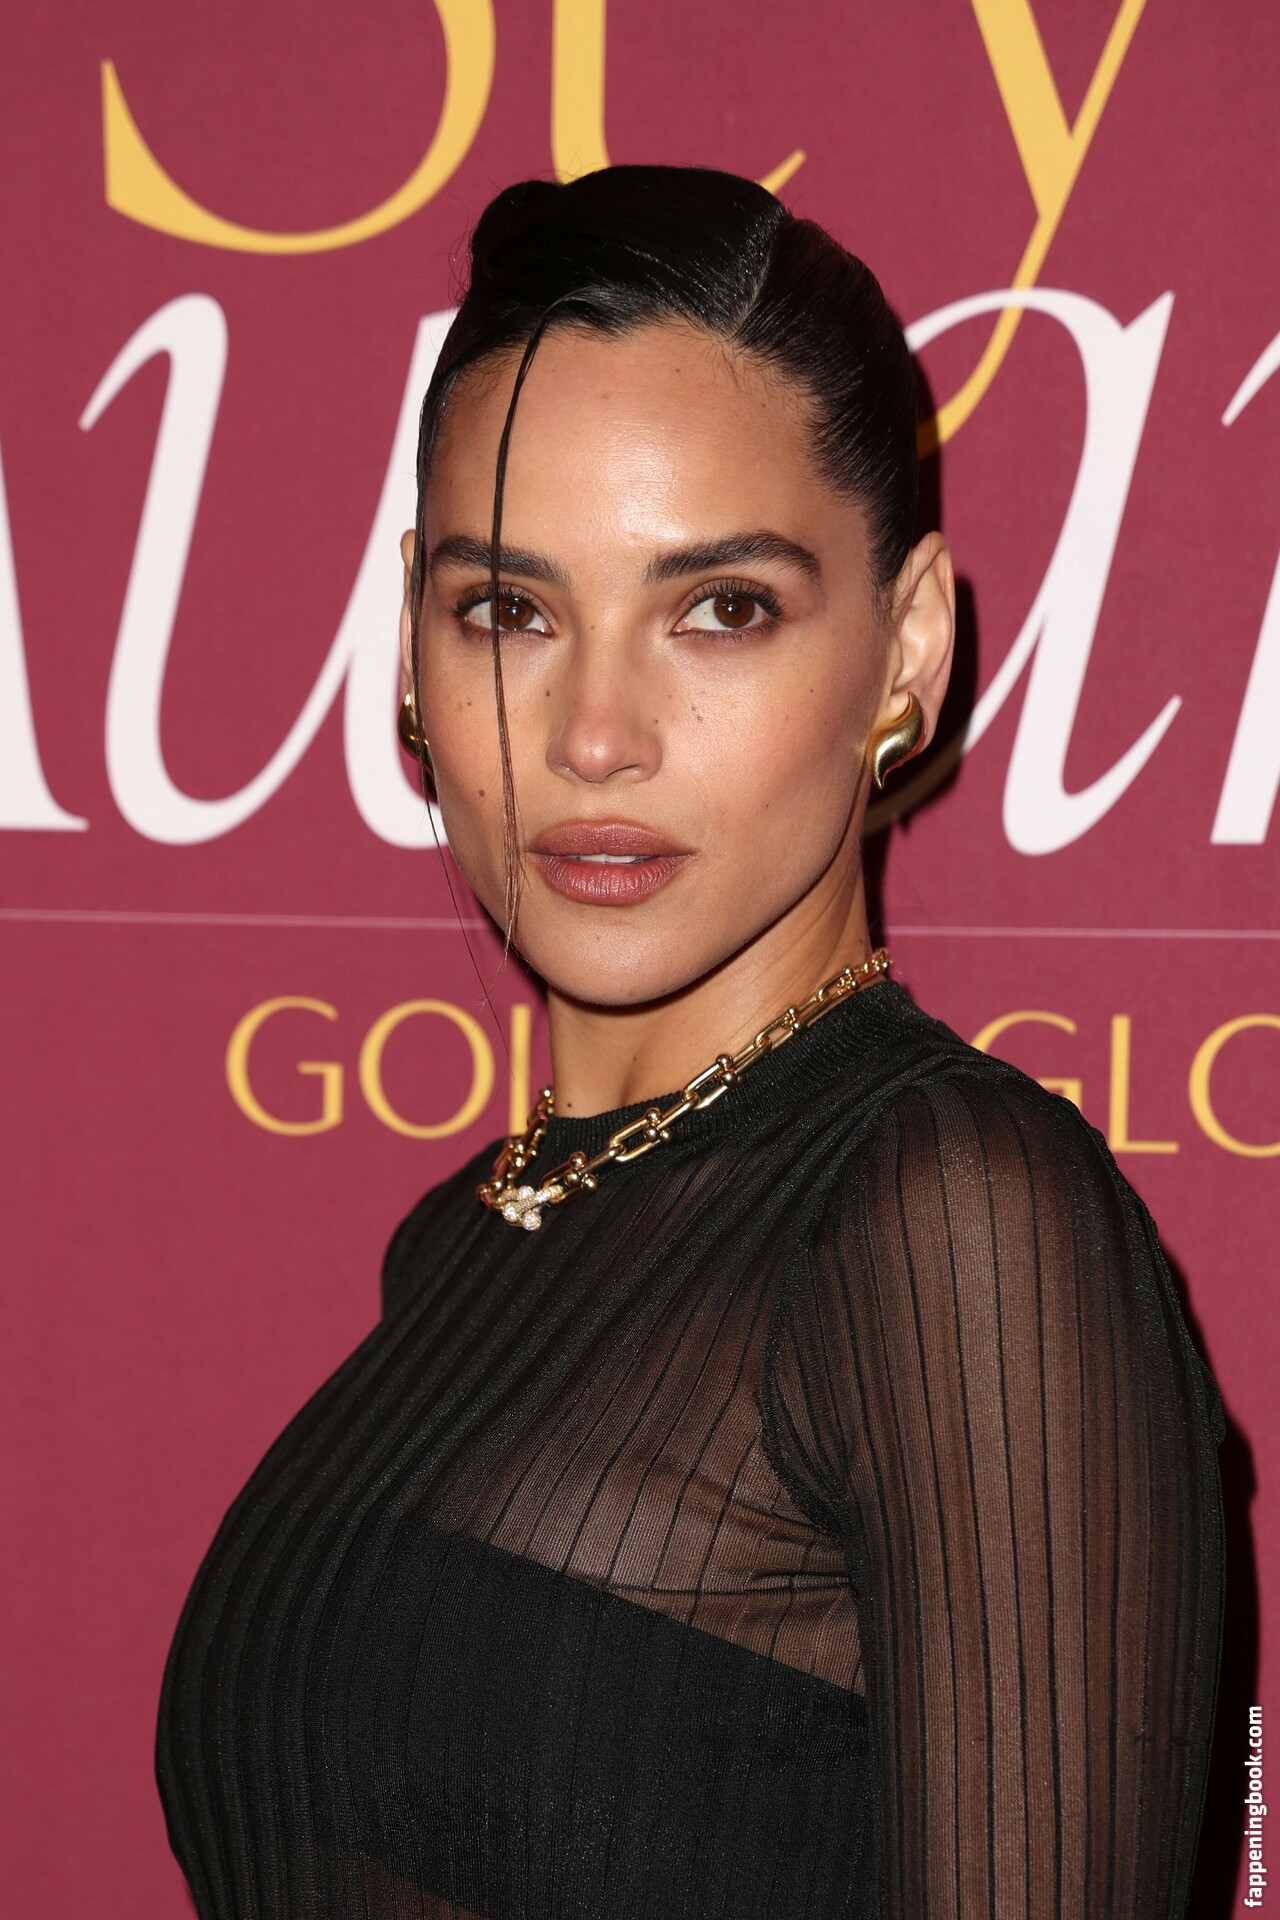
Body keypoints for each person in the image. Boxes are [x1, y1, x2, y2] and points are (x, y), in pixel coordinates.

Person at [155, 166, 1226, 1919]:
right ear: (412, 643)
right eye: (509, 610)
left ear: (908, 646)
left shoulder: (950, 1218)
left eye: (720, 608)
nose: (594, 734)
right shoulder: (468, 1240)